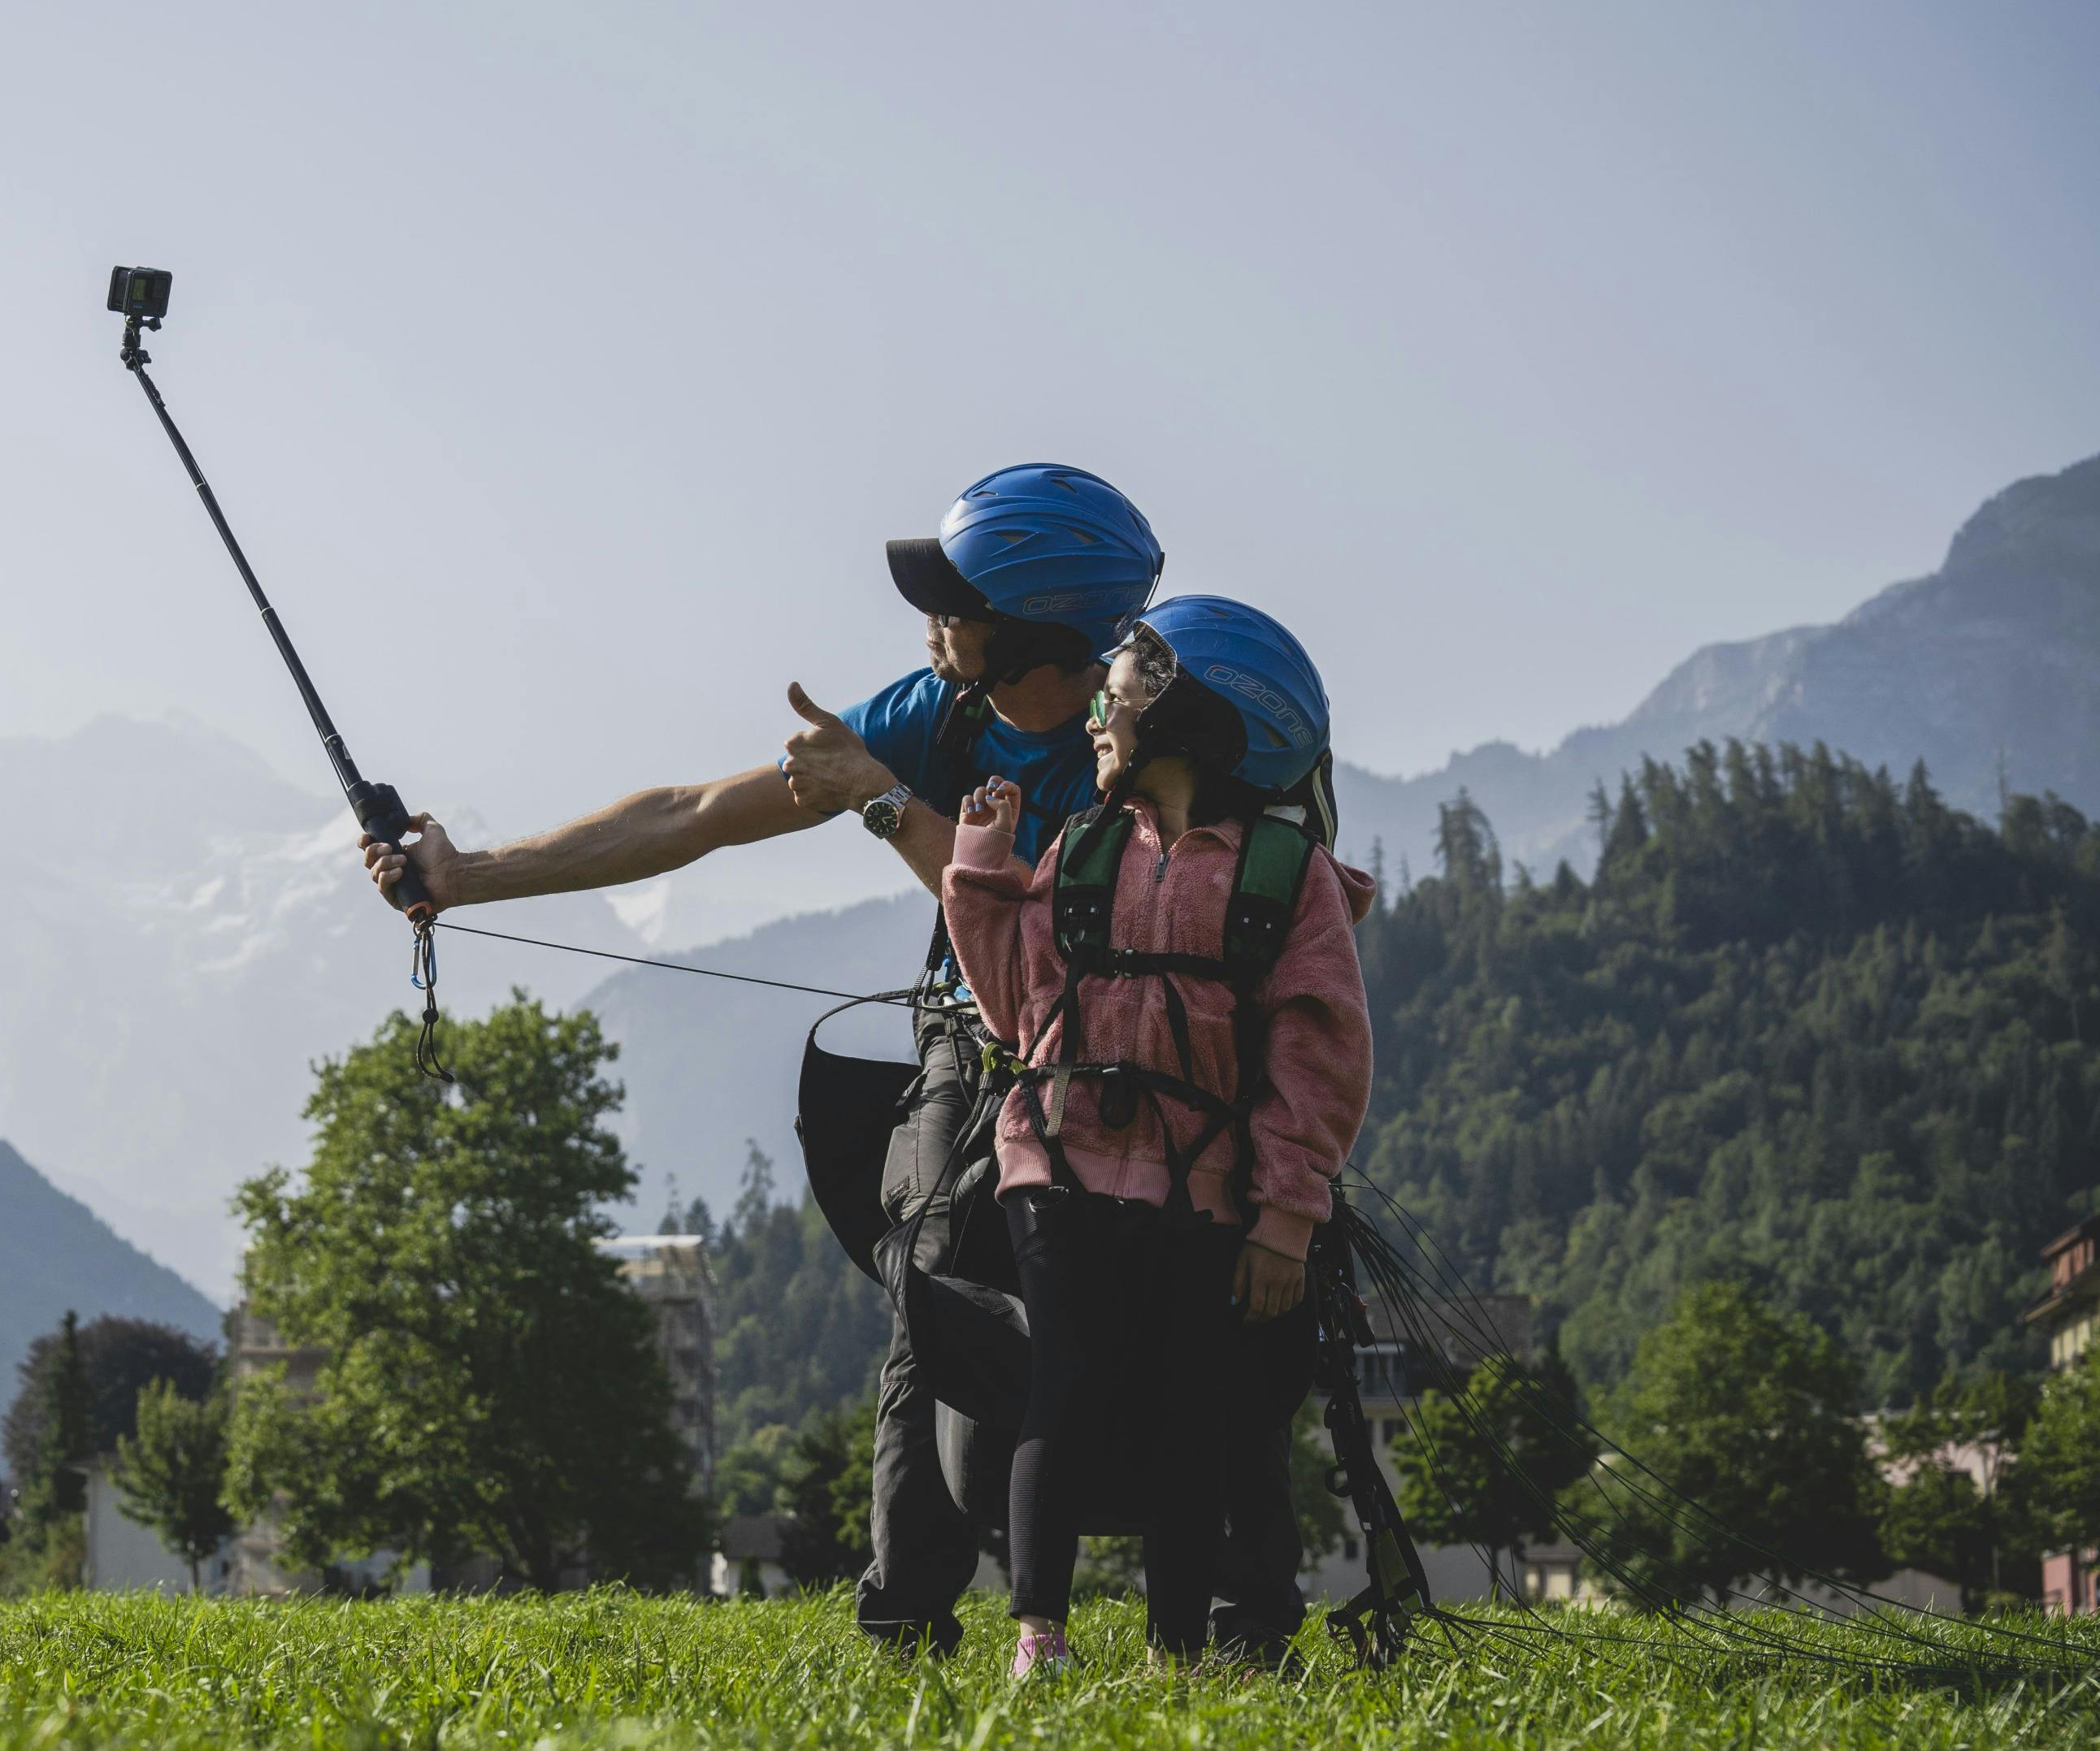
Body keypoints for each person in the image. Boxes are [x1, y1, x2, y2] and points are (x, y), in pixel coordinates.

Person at [361, 466, 1163, 1656]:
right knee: (929, 1271)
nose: (927, 618)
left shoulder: (1142, 750)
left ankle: (1211, 1605)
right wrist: (469, 875)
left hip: (1125, 1061)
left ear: (1034, 631)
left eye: (953, 599)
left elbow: (1053, 934)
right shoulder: (937, 711)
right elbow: (694, 812)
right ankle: (908, 1624)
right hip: (970, 1043)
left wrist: (885, 803)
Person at [938, 598, 1373, 1675]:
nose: (1093, 719)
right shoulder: (1079, 850)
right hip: (1058, 1168)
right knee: (1065, 1380)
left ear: (1187, 717)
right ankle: (1041, 1634)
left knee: (1196, 1409)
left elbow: (1318, 1058)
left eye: (1115, 701)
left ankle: (1179, 1652)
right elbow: (1012, 1012)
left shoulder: (1283, 877)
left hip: (1210, 1195)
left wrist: (1285, 1217)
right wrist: (981, 866)